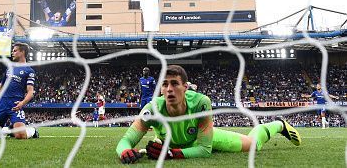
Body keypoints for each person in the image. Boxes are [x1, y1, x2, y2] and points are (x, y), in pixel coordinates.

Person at [116, 65, 301, 163]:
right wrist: (124, 151)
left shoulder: (201, 103)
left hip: (200, 139)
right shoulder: (152, 108)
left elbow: (205, 150)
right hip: (170, 142)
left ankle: (278, 124)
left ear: (185, 87)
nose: (169, 89)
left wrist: (172, 154)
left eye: (174, 83)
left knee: (252, 145)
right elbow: (126, 140)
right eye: (165, 84)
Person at [0, 43, 38, 139]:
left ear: (22, 52)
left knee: (21, 136)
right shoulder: (9, 69)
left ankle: (32, 131)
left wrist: (22, 103)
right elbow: (0, 87)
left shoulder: (29, 71)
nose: (12, 53)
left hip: (15, 105)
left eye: (15, 50)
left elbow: (30, 92)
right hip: (1, 104)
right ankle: (8, 130)